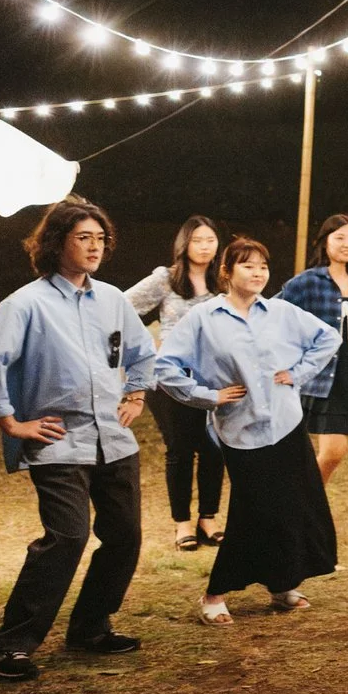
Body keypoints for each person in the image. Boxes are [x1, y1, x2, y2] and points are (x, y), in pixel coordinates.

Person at [0, 198, 155, 682]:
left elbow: (142, 351)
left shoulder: (112, 300)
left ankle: (91, 627)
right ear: (56, 243)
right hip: (58, 440)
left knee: (125, 536)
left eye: (100, 239)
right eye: (83, 238)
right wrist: (10, 422)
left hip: (113, 439)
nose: (95, 247)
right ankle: (10, 646)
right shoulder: (26, 304)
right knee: (68, 536)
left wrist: (136, 394)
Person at [156, 236, 340, 623]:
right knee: (251, 513)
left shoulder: (281, 312)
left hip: (286, 424)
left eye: (263, 266)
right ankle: (214, 593)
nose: (258, 273)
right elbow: (165, 365)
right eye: (248, 265)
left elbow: (328, 337)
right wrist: (207, 396)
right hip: (240, 430)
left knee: (292, 506)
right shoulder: (204, 318)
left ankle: (282, 584)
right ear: (226, 272)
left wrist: (299, 373)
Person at [278, 214, 348, 541]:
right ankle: (300, 510)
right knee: (333, 451)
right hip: (326, 376)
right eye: (339, 237)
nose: (347, 244)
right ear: (325, 242)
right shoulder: (306, 282)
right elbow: (274, 314)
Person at [124, 214, 228, 550]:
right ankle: (182, 523)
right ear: (184, 244)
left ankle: (208, 518)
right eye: (197, 240)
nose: (204, 247)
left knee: (214, 447)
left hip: (212, 378)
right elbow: (122, 307)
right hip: (170, 379)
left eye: (210, 240)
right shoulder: (166, 279)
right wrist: (149, 342)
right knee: (180, 449)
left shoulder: (223, 280)